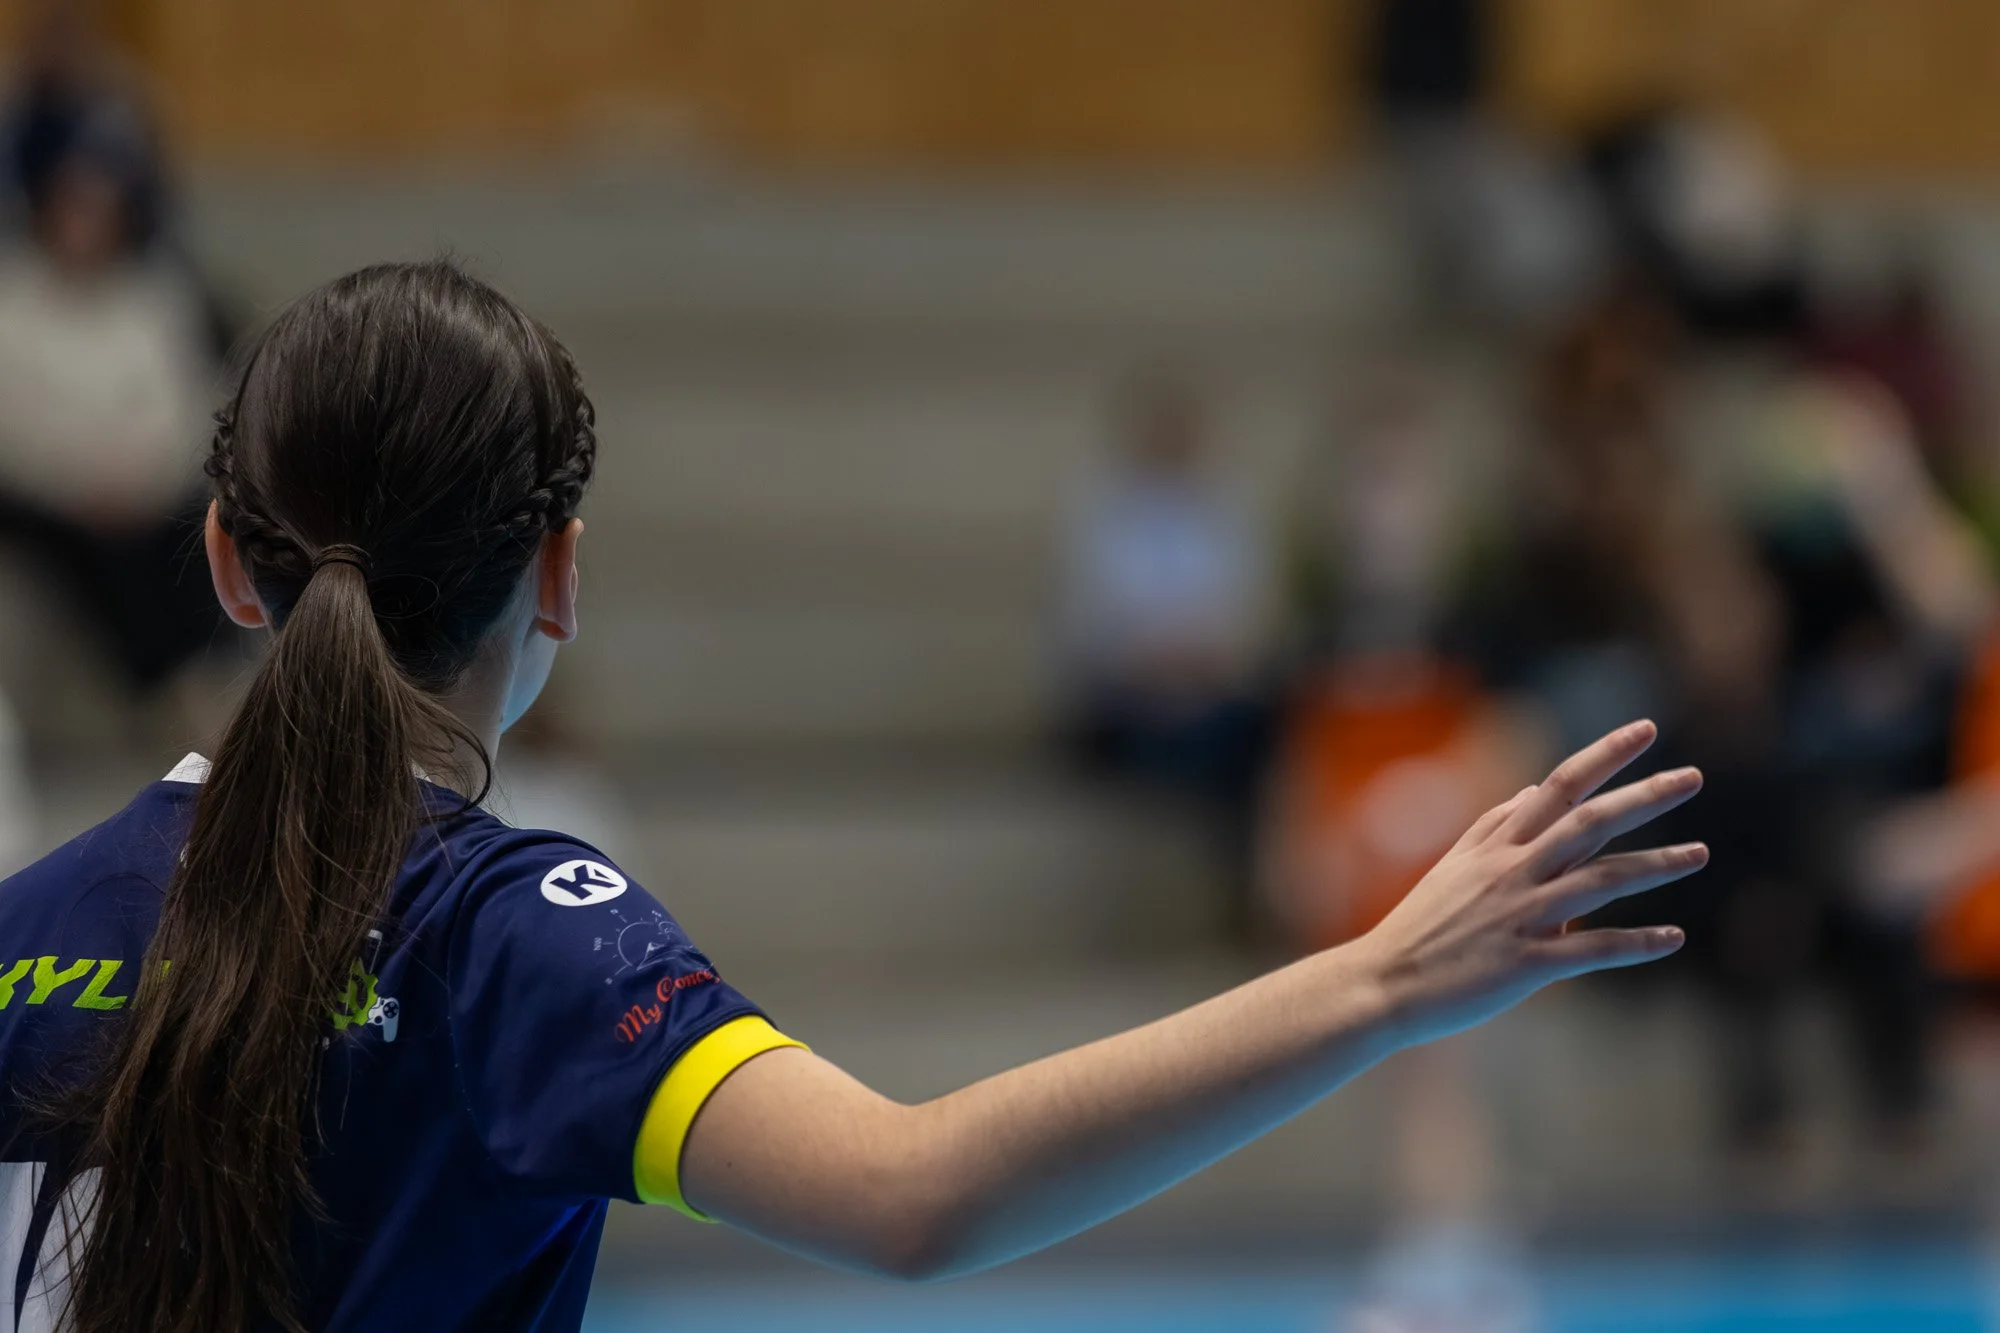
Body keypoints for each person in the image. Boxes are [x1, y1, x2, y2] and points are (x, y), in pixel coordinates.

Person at [0, 262, 1705, 1333]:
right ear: (561, 573)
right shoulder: (514, 944)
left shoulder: (25, 928)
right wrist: (1387, 978)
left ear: (225, 560)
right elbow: (913, 1192)